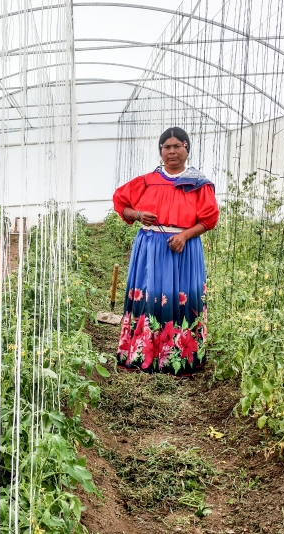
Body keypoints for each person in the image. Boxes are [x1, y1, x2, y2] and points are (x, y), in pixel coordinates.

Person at [112, 127, 218, 375]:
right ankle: (142, 353)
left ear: (186, 149)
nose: (172, 151)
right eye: (166, 147)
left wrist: (184, 235)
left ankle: (179, 355)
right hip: (150, 248)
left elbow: (209, 219)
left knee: (179, 296)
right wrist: (138, 214)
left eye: (177, 146)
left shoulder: (199, 184)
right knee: (150, 295)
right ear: (161, 151)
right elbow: (121, 203)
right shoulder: (147, 181)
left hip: (184, 247)